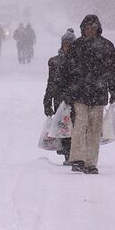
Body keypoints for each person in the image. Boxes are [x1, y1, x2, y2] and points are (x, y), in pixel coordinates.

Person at [61, 15, 115, 174]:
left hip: (98, 94)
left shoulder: (107, 46)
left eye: (93, 28)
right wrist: (67, 90)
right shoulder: (77, 46)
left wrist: (114, 89)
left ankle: (90, 162)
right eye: (88, 28)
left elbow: (113, 70)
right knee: (80, 125)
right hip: (79, 94)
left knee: (94, 128)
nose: (90, 31)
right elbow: (67, 70)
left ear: (98, 28)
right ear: (83, 29)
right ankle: (78, 159)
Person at [43, 29, 76, 164]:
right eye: (65, 44)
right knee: (63, 128)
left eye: (70, 44)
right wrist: (47, 101)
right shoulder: (54, 62)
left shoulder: (79, 61)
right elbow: (50, 82)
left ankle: (73, 154)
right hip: (60, 100)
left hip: (75, 99)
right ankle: (67, 154)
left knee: (74, 127)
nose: (67, 46)